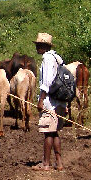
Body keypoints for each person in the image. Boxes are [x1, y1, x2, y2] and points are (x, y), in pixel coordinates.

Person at [33, 32, 66, 171]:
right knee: (55, 131)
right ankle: (58, 163)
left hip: (49, 101)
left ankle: (46, 163)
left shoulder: (47, 58)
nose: (37, 48)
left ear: (43, 46)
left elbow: (46, 82)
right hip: (60, 101)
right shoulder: (57, 58)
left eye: (38, 45)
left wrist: (41, 100)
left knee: (48, 132)